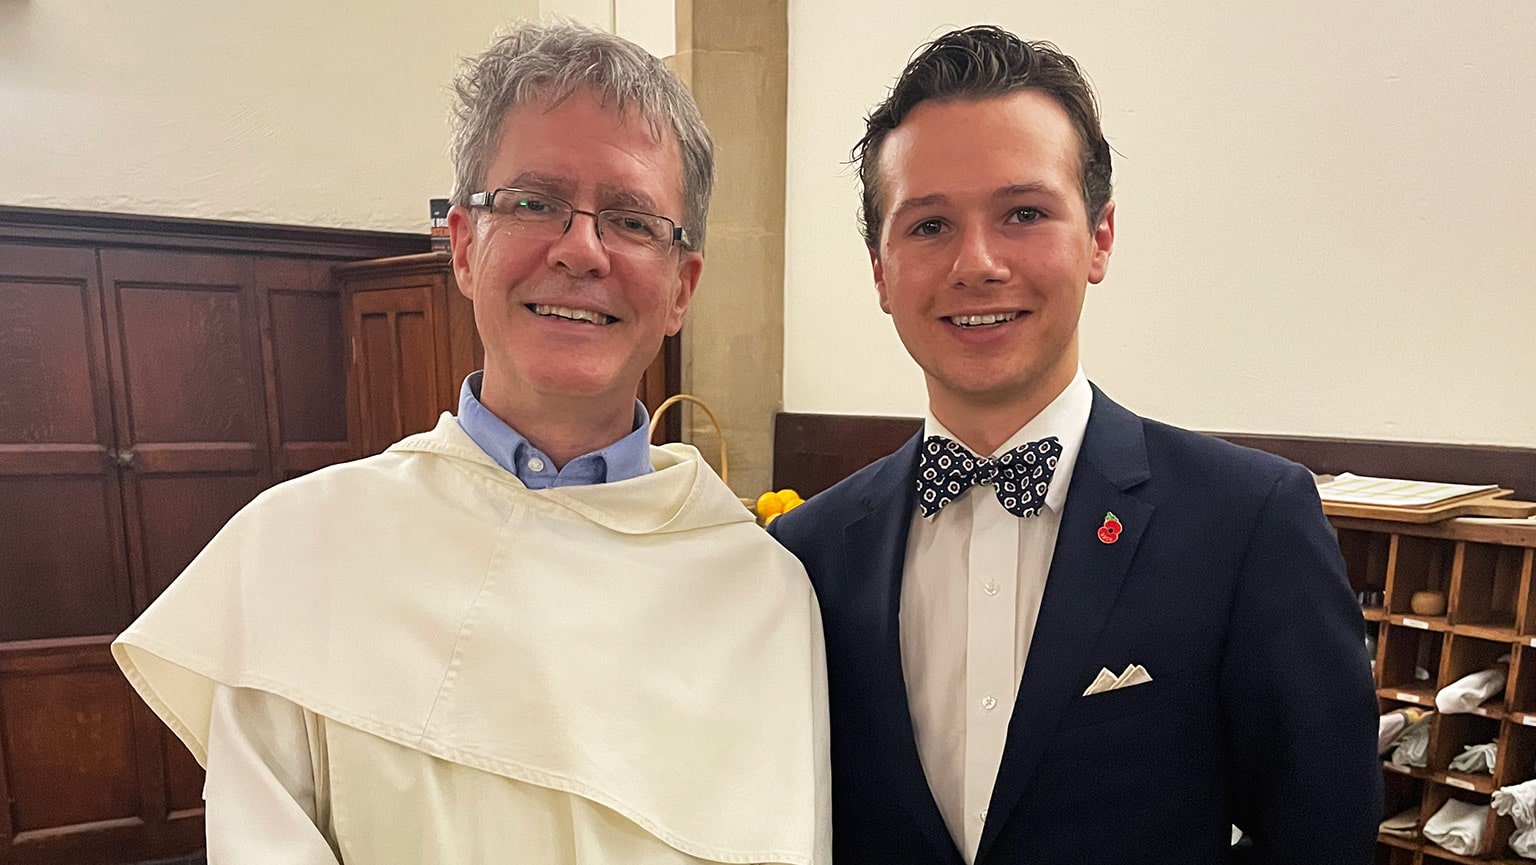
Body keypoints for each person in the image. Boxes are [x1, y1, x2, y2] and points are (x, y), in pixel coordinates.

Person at [114, 21, 830, 864]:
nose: (581, 249)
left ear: (683, 288)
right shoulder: (300, 550)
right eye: (534, 202)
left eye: (634, 220)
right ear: (462, 244)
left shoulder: (764, 595)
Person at [768, 25, 1378, 865]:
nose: (976, 264)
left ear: (1099, 237)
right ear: (879, 269)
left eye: (1023, 213)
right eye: (929, 225)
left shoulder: (1247, 523)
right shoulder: (807, 551)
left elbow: (1322, 836)